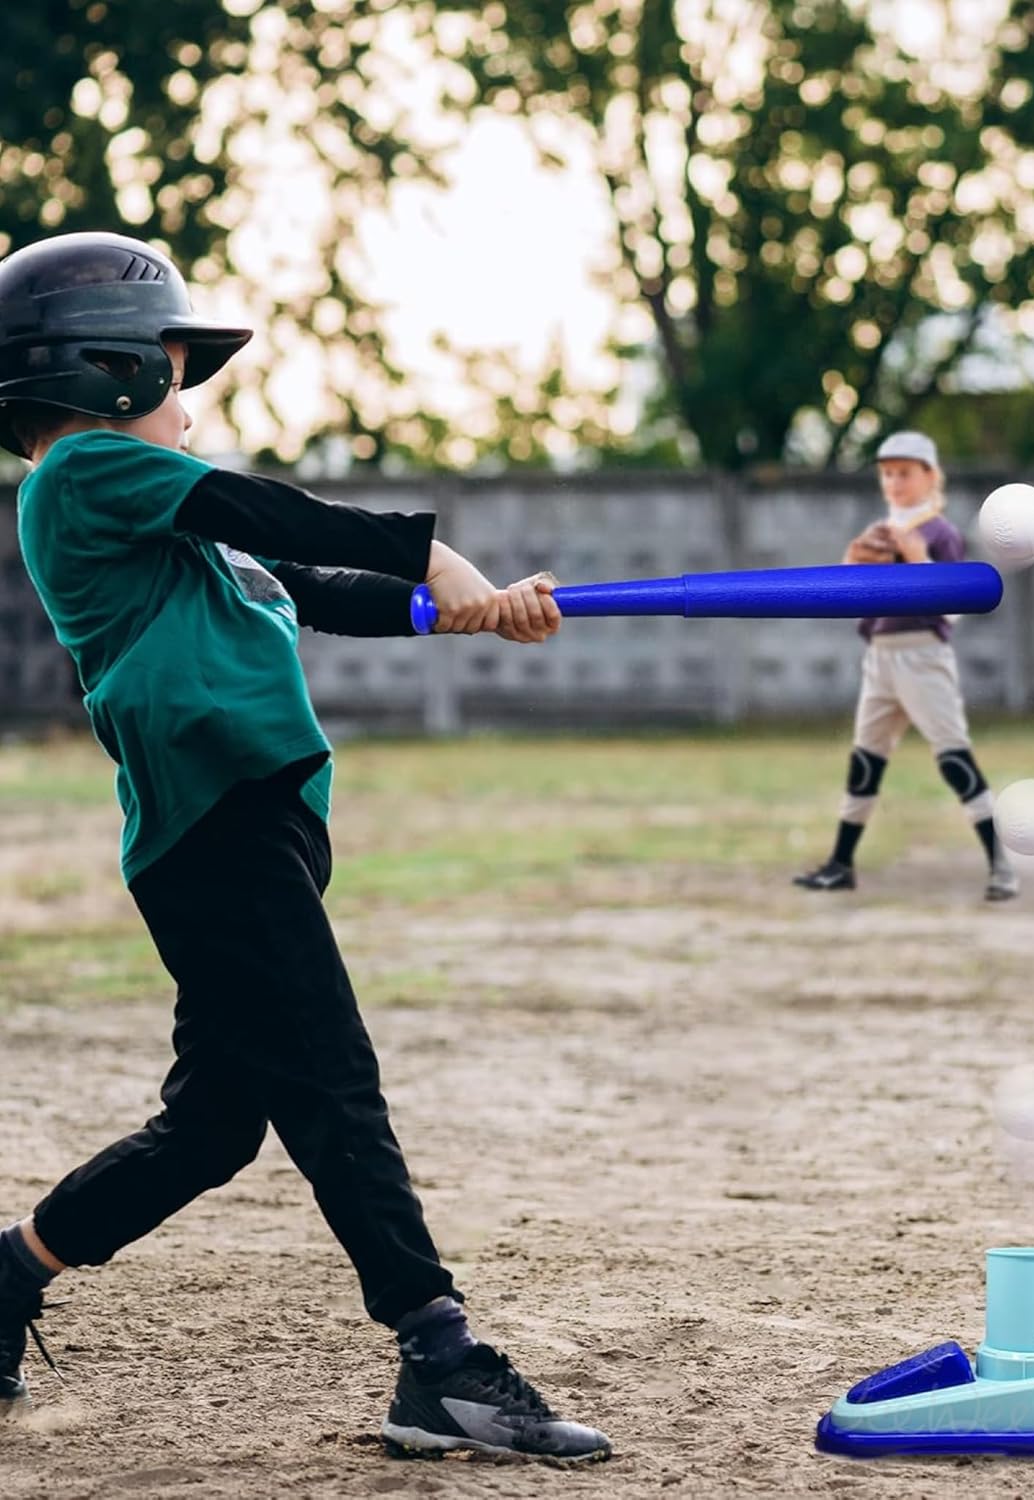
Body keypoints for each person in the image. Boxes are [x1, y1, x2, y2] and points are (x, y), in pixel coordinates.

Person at [0, 232, 610, 1463]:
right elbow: (262, 503)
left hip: (248, 822)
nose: (190, 400)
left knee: (217, 1126)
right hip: (210, 830)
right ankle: (437, 1357)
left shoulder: (156, 519)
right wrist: (435, 549)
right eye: (177, 369)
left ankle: (9, 1276)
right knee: (333, 1084)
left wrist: (466, 609)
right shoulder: (80, 478)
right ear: (104, 372)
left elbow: (306, 579)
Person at [792, 431, 1018, 901]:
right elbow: (852, 598)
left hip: (922, 654)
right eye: (888, 473)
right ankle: (840, 864)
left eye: (906, 473)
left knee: (953, 756)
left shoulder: (941, 533)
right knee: (865, 761)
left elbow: (953, 608)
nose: (895, 482)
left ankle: (1002, 866)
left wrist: (917, 556)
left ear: (931, 477)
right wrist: (851, 564)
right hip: (881, 654)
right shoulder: (879, 530)